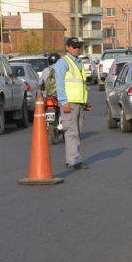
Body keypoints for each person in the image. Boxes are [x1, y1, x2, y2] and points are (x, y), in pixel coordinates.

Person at [54, 38, 89, 170]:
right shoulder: (63, 62)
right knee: (71, 132)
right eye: (74, 47)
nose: (77, 49)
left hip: (78, 102)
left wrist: (85, 102)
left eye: (78, 47)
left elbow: (81, 84)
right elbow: (60, 83)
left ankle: (74, 159)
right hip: (69, 103)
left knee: (77, 132)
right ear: (67, 47)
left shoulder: (78, 62)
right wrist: (64, 102)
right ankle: (73, 161)